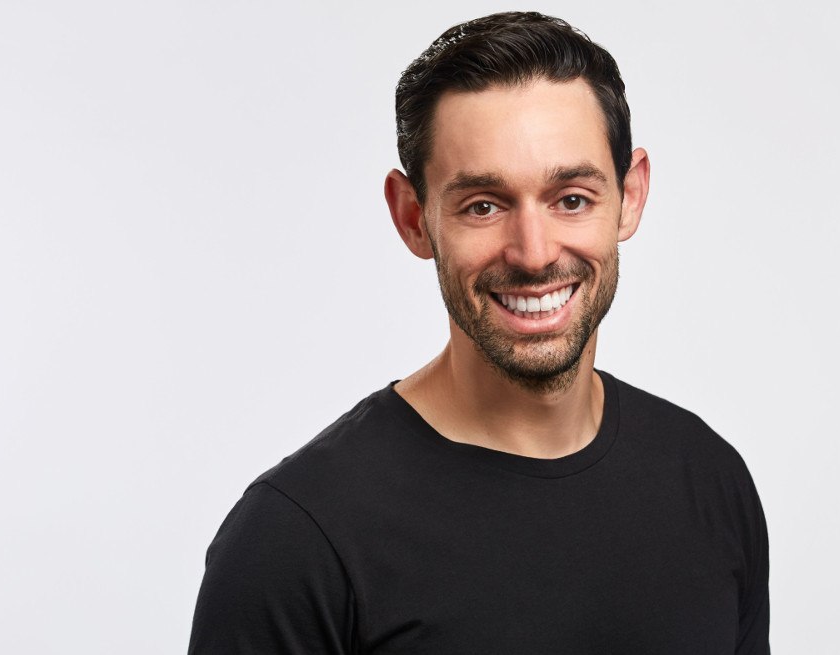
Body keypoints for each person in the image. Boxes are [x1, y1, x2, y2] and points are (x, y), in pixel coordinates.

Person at [188, 11, 769, 654]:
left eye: (571, 198)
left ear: (630, 197)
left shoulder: (709, 480)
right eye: (483, 206)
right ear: (414, 218)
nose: (533, 252)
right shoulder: (297, 540)